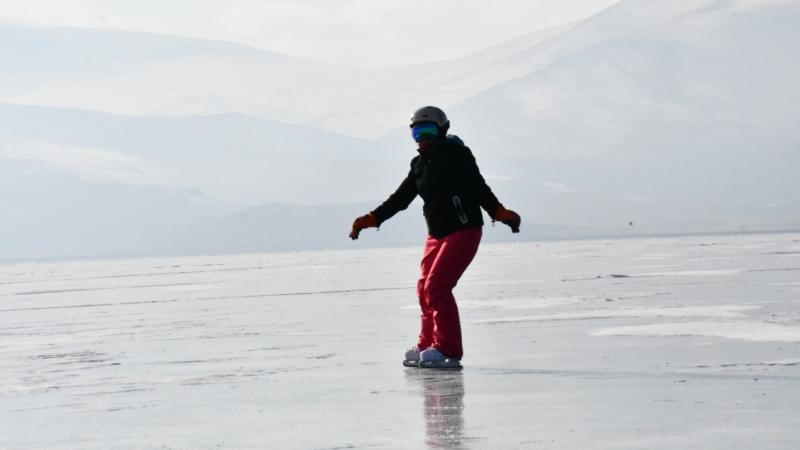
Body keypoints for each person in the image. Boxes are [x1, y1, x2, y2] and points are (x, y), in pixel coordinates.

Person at [349, 106, 521, 369]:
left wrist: (498, 211)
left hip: (463, 230)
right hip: (436, 234)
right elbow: (401, 198)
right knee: (423, 290)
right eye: (417, 133)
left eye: (428, 131)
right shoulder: (419, 164)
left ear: (441, 131)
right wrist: (372, 218)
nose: (422, 138)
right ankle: (427, 343)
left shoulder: (457, 155)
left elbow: (478, 187)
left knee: (437, 287)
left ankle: (447, 349)